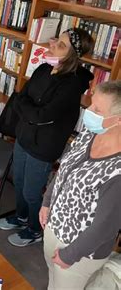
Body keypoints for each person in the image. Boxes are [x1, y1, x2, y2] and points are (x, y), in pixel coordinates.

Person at [0, 28, 94, 247]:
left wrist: (30, 111)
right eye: (56, 41)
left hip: (43, 147)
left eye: (61, 45)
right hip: (24, 137)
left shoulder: (71, 85)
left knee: (32, 191)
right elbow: (21, 97)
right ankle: (21, 217)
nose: (53, 46)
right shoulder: (43, 68)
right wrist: (31, 113)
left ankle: (34, 228)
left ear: (73, 55)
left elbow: (43, 115)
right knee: (19, 182)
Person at [39, 80, 120, 289]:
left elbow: (106, 226)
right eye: (91, 104)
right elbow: (66, 169)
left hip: (80, 252)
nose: (88, 111)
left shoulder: (118, 170)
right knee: (52, 280)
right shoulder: (90, 134)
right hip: (54, 226)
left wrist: (69, 255)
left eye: (97, 109)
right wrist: (47, 201)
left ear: (118, 119)